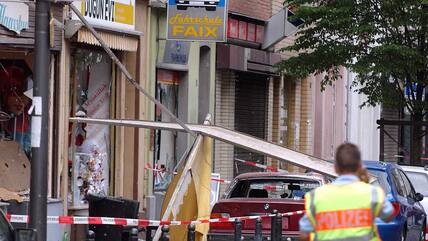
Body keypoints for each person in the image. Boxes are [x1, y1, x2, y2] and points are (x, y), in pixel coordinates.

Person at [299, 143, 396, 241]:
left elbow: (304, 234)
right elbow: (388, 216)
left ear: (335, 168)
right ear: (359, 167)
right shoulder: (372, 193)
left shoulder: (316, 196)